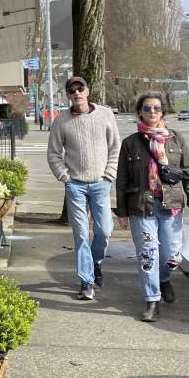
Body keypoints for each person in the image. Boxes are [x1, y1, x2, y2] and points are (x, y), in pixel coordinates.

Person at [116, 91, 189, 322]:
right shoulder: (130, 143)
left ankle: (163, 279)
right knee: (148, 256)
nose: (152, 112)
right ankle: (152, 299)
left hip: (171, 205)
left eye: (157, 108)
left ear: (163, 112)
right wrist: (121, 213)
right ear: (139, 113)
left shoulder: (176, 138)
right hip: (141, 207)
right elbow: (122, 180)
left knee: (172, 255)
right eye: (147, 108)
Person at [47, 76, 121, 300]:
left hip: (101, 184)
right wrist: (65, 177)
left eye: (80, 89)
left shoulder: (105, 115)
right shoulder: (61, 121)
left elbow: (115, 147)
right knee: (80, 235)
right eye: (72, 90)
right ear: (68, 95)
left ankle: (96, 264)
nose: (77, 93)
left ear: (87, 91)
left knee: (104, 231)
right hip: (75, 186)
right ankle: (86, 281)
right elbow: (53, 154)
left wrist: (109, 175)